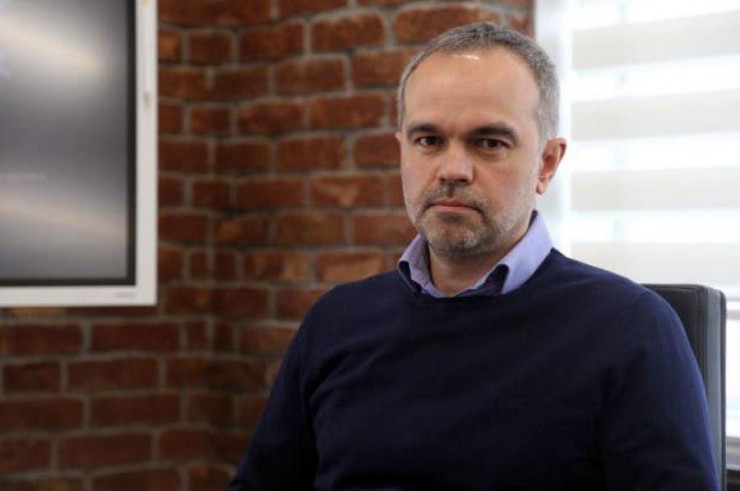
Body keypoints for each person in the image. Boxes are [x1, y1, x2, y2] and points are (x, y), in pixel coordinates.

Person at [229, 22, 718, 490]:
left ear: (547, 164)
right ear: (402, 151)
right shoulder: (337, 320)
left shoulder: (630, 329)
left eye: (488, 143)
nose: (453, 169)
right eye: (429, 141)